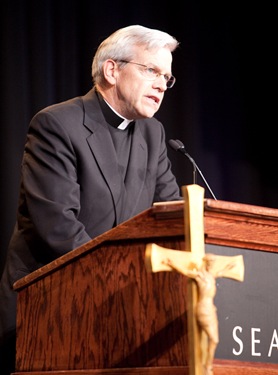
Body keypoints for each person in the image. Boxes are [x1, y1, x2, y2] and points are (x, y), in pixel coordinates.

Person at [0, 25, 182, 374]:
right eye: (152, 71)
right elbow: (58, 227)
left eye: (167, 77)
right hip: (49, 306)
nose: (162, 84)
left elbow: (169, 215)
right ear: (112, 70)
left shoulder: (153, 133)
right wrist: (126, 284)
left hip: (125, 310)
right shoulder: (57, 124)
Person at [163, 253, 237, 375]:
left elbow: (221, 272)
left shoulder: (211, 275)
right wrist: (172, 264)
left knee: (215, 340)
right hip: (204, 308)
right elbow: (186, 271)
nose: (211, 266)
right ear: (206, 263)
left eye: (213, 264)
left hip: (211, 309)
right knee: (214, 339)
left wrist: (229, 266)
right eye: (210, 263)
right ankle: (207, 367)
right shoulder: (199, 275)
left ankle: (207, 365)